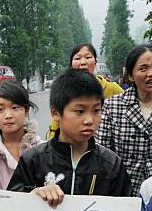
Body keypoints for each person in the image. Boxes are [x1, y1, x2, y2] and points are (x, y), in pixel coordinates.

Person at [8, 68, 131, 200]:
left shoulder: (111, 164)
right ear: (56, 113)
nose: (89, 120)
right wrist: (34, 195)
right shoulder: (33, 160)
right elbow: (12, 206)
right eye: (79, 111)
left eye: (96, 110)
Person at [96, 44, 152, 195]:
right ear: (131, 75)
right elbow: (103, 153)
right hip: (123, 188)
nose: (151, 73)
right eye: (143, 68)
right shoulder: (113, 105)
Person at [0, 80, 43, 189]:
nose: (8, 115)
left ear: (26, 110)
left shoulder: (41, 149)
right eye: (0, 109)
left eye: (15, 108)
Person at [46, 43, 124, 139]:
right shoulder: (64, 90)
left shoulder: (112, 88)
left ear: (95, 62)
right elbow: (57, 122)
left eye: (88, 57)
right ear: (71, 65)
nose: (83, 62)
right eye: (77, 58)